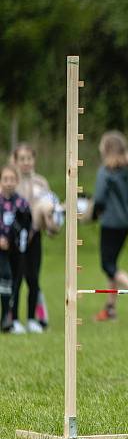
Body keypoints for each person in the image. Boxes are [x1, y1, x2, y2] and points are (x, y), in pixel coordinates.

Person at [93, 131, 128, 321]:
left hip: (110, 223)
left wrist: (92, 214)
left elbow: (99, 199)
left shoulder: (105, 171)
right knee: (112, 265)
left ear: (106, 149)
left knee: (107, 265)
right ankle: (110, 309)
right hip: (126, 222)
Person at [10, 143, 61, 333]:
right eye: (21, 159)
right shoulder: (11, 181)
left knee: (33, 278)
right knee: (16, 278)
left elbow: (50, 209)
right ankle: (13, 318)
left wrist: (51, 226)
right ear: (15, 161)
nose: (26, 163)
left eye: (29, 159)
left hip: (35, 238)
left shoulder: (41, 182)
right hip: (15, 240)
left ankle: (33, 318)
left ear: (34, 160)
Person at [0, 165, 32, 335]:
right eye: (5, 179)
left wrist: (22, 239)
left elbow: (28, 224)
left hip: (16, 250)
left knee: (14, 282)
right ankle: (6, 316)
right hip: (1, 250)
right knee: (5, 277)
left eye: (12, 179)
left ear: (17, 181)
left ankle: (9, 318)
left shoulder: (21, 203)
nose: (9, 183)